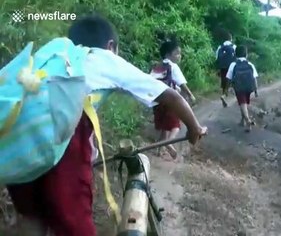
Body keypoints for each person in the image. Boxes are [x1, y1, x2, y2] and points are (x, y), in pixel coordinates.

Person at [6, 14, 207, 236]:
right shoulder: (103, 57)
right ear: (111, 46)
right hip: (65, 138)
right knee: (75, 221)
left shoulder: (54, 56)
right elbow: (170, 96)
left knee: (31, 216)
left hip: (18, 139)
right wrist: (194, 128)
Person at [151, 38, 196, 160]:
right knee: (175, 125)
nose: (179, 56)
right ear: (168, 55)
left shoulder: (156, 67)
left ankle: (158, 150)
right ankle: (169, 143)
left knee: (163, 127)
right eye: (177, 53)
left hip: (157, 102)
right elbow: (182, 84)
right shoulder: (173, 66)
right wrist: (190, 95)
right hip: (170, 101)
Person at [225, 45, 259, 132]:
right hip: (249, 88)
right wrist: (255, 91)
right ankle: (242, 120)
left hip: (239, 87)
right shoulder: (250, 64)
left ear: (235, 54)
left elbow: (228, 78)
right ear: (246, 55)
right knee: (244, 103)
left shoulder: (233, 65)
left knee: (242, 104)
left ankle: (247, 120)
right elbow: (254, 79)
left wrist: (226, 90)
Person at [215, 32, 236, 107]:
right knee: (231, 82)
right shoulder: (233, 46)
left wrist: (218, 67)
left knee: (224, 82)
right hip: (231, 67)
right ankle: (229, 94)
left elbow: (216, 58)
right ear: (231, 39)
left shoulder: (220, 47)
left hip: (222, 67)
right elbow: (236, 57)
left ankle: (224, 95)